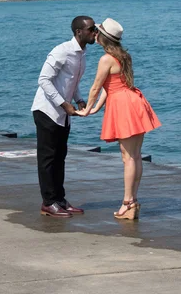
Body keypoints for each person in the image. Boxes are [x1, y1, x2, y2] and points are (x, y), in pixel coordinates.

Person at [76, 18, 161, 220]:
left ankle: (128, 202)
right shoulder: (123, 56)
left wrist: (87, 109)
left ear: (103, 37)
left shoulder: (105, 59)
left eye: (97, 31)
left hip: (124, 106)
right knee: (135, 156)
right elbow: (111, 86)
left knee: (128, 158)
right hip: (134, 101)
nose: (94, 34)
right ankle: (132, 202)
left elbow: (96, 87)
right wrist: (96, 108)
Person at [31, 15, 96, 218]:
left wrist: (78, 100)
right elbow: (44, 80)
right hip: (47, 111)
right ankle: (48, 202)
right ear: (79, 32)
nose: (95, 32)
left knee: (60, 157)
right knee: (48, 159)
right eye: (91, 29)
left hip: (63, 113)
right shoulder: (62, 51)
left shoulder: (81, 54)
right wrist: (64, 103)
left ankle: (59, 199)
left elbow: (71, 82)